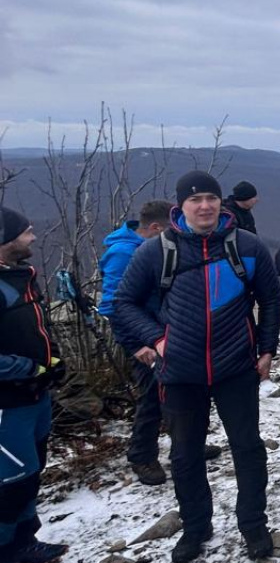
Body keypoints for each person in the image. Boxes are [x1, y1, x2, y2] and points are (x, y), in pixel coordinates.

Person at [110, 171, 280, 563]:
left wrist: (267, 349)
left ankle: (253, 524)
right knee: (185, 455)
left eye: (211, 198)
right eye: (195, 199)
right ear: (181, 206)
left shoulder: (246, 245)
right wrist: (155, 338)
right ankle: (195, 527)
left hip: (236, 366)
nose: (205, 206)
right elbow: (124, 303)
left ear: (221, 202)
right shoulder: (157, 251)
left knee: (248, 448)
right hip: (180, 371)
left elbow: (271, 298)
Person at [100, 200, 221, 486]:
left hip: (169, 334)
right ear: (156, 227)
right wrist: (136, 346)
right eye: (172, 228)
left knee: (183, 393)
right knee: (153, 397)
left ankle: (188, 442)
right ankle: (142, 455)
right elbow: (113, 305)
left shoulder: (156, 248)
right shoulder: (123, 253)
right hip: (145, 339)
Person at [0, 208, 70, 563]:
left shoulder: (21, 278)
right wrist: (29, 368)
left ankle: (24, 542)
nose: (33, 237)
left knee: (30, 474)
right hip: (7, 404)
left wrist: (52, 360)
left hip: (35, 397)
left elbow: (35, 330)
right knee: (10, 483)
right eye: (26, 232)